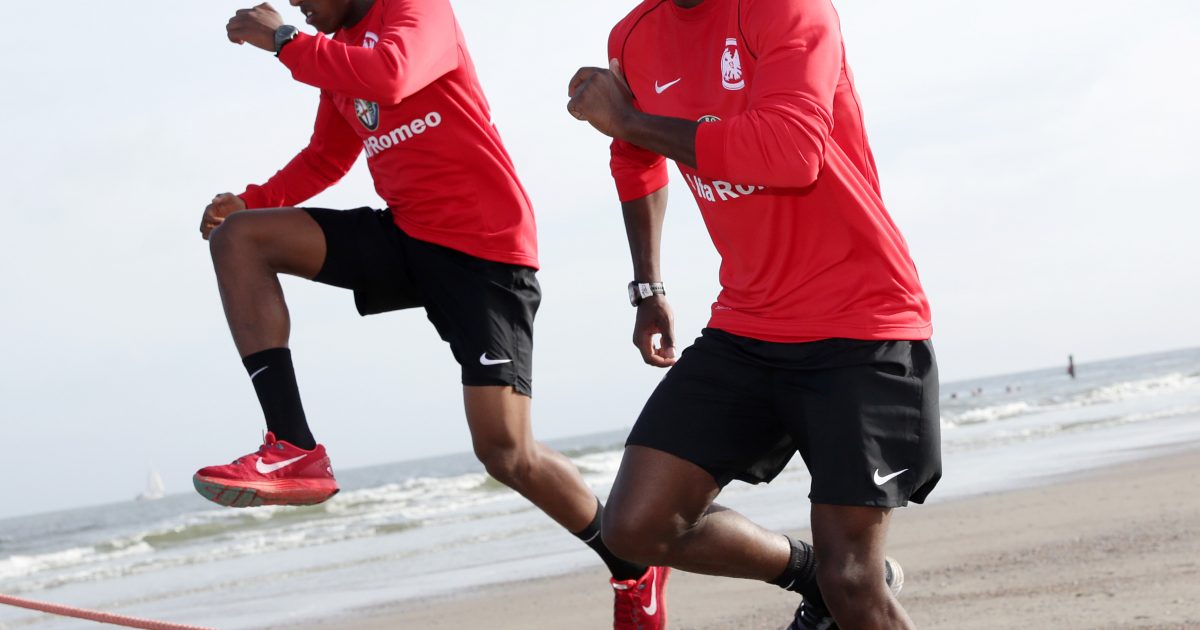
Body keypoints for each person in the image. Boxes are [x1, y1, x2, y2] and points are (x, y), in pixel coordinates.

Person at [192, 1, 660, 625]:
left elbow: (390, 74)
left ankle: (633, 566)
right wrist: (250, 200)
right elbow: (327, 157)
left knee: (505, 453)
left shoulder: (416, 10)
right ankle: (294, 447)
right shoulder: (338, 50)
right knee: (241, 239)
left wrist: (282, 40)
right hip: (408, 236)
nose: (299, 3)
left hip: (485, 250)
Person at [566, 0, 941, 627]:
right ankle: (807, 576)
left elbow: (792, 150)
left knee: (854, 583)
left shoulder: (788, 9)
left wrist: (628, 116)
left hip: (860, 323)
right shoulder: (632, 36)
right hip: (747, 324)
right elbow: (632, 156)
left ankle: (833, 583)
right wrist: (647, 285)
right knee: (635, 526)